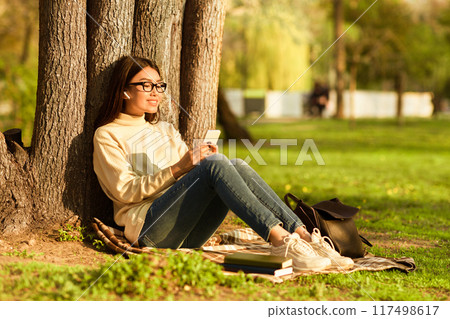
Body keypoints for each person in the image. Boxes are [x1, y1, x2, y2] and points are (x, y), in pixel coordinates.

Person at [93, 56, 353, 272]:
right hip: (151, 230)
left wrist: (199, 162)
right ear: (125, 90)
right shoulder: (108, 134)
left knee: (235, 164)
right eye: (145, 85)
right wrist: (179, 168)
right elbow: (123, 191)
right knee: (217, 164)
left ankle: (305, 236)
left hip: (189, 233)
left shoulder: (164, 129)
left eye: (159, 85)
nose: (155, 92)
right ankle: (281, 240)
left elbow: (189, 178)